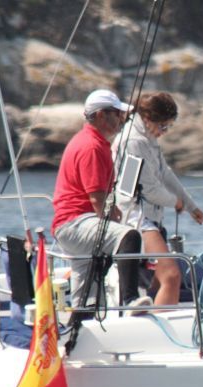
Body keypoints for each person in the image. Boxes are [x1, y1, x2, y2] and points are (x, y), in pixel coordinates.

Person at [51, 89, 151, 314]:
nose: (122, 119)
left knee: (88, 298)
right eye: (117, 113)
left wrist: (111, 213)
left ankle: (80, 324)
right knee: (128, 236)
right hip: (76, 222)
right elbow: (97, 198)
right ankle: (130, 299)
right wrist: (113, 219)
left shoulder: (91, 141)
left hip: (70, 224)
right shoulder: (92, 146)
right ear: (100, 115)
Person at [113, 92, 203, 306]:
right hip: (136, 217)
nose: (164, 132)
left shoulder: (148, 138)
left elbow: (165, 174)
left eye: (168, 127)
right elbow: (147, 189)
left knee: (157, 280)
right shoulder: (134, 142)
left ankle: (154, 314)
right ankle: (161, 323)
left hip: (150, 216)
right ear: (147, 119)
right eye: (163, 126)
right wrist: (176, 202)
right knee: (171, 276)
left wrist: (191, 206)